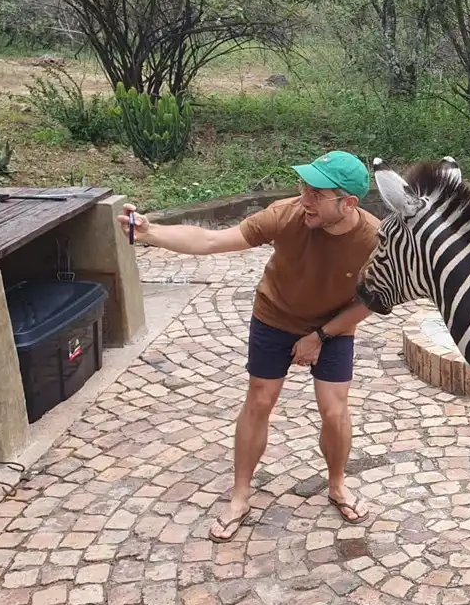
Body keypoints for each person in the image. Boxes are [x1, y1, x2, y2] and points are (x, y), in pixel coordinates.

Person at [116, 151, 379, 542]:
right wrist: (149, 233)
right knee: (259, 399)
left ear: (348, 203)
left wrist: (320, 336)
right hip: (275, 316)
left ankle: (338, 483)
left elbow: (372, 300)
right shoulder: (286, 214)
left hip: (333, 327)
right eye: (303, 186)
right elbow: (211, 240)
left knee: (334, 408)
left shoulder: (374, 238)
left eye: (316, 192)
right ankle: (240, 494)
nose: (304, 197)